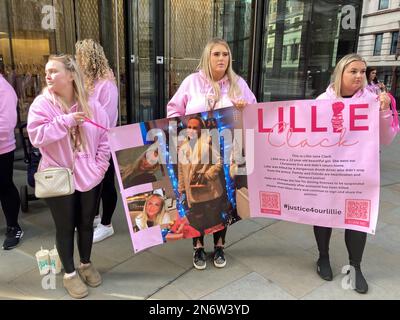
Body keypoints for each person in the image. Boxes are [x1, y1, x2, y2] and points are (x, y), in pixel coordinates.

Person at [166, 38, 256, 270]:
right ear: (208, 57)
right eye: (216, 54)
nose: (221, 59)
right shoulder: (191, 82)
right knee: (197, 209)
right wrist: (184, 126)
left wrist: (243, 109)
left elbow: (254, 111)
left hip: (224, 152)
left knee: (221, 203)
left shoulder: (238, 84)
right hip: (193, 154)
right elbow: (173, 110)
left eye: (225, 54)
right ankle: (197, 247)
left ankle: (219, 246)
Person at [27, 54, 110, 299]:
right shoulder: (42, 105)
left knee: (86, 223)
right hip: (58, 175)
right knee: (65, 227)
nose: (48, 75)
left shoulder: (93, 106)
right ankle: (70, 274)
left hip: (90, 176)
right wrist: (65, 121)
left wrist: (99, 167)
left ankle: (85, 263)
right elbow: (36, 136)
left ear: (71, 75)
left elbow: (106, 138)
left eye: (54, 71)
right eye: (47, 72)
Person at [314, 53, 397, 294]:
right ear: (340, 73)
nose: (359, 76)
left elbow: (386, 137)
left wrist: (384, 111)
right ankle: (322, 257)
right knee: (323, 212)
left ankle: (356, 266)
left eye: (362, 71)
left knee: (358, 217)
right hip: (328, 170)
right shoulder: (322, 100)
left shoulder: (373, 100)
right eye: (353, 71)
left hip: (359, 171)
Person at [75, 39, 119, 243]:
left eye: (80, 57)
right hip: (86, 143)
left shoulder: (106, 85)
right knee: (91, 183)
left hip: (102, 144)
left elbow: (107, 120)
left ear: (89, 59)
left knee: (106, 183)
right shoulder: (86, 82)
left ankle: (107, 224)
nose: (77, 61)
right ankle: (95, 217)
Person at [0, 67, 22, 250]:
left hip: (2, 149)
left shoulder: (4, 89)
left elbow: (6, 124)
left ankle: (14, 227)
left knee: (4, 187)